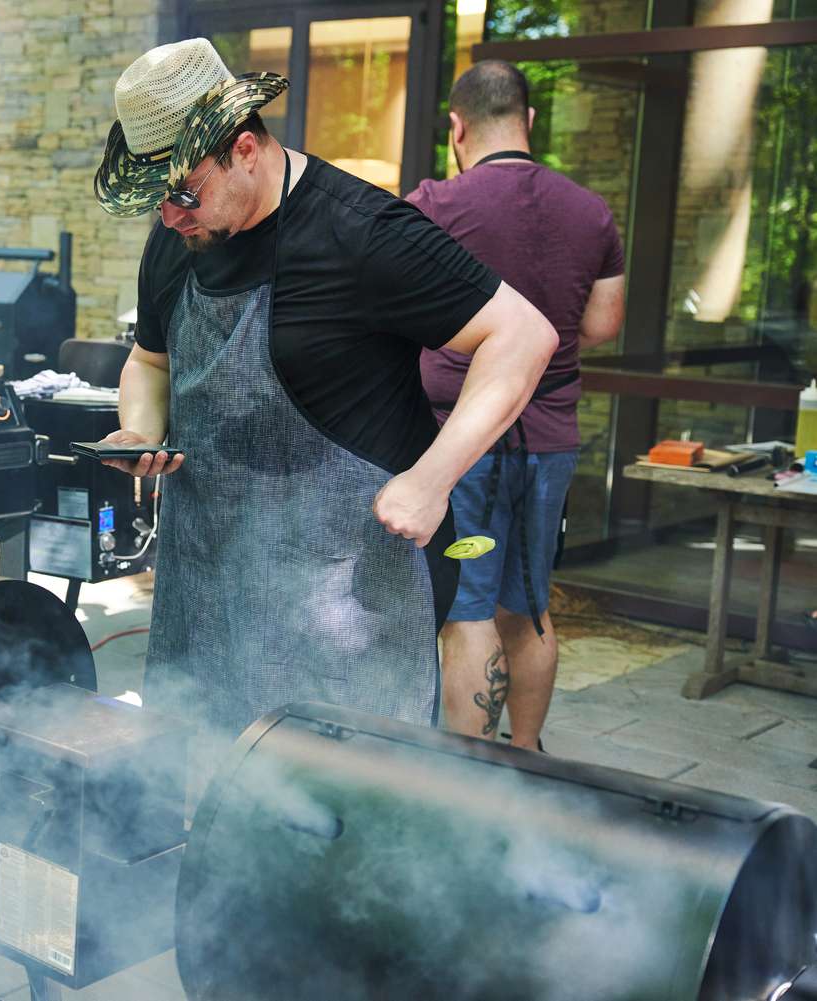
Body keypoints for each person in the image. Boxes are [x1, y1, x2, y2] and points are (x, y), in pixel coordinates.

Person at [88, 38, 558, 740]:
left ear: (244, 148)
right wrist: (139, 429)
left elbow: (522, 335)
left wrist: (433, 478)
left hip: (345, 610)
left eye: (184, 192)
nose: (170, 218)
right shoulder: (178, 240)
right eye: (155, 202)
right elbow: (148, 364)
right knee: (206, 794)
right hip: (207, 588)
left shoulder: (359, 231)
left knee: (341, 818)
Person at [407, 60, 626, 748]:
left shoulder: (434, 206)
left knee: (466, 610)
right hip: (549, 441)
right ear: (529, 121)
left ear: (456, 127)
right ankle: (526, 757)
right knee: (528, 606)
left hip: (461, 441)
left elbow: (392, 316)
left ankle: (469, 775)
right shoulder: (591, 212)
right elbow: (602, 324)